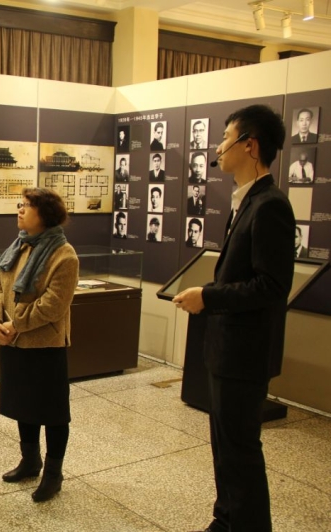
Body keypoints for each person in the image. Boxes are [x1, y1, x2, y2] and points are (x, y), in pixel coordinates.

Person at [173, 104, 295, 532]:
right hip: (227, 349)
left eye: (225, 138)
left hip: (245, 354)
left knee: (240, 451)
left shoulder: (270, 206)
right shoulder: (246, 202)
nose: (218, 148)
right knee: (225, 448)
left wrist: (208, 297)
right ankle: (226, 519)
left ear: (250, 145)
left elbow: (271, 286)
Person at [0, 188, 79, 503]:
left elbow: (53, 305)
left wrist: (16, 324)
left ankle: (53, 473)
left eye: (27, 206)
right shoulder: (19, 246)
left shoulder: (64, 255)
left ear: (45, 214)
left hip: (44, 345)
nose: (20, 210)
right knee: (22, 405)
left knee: (52, 412)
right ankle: (30, 460)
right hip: (12, 341)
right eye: (20, 204)